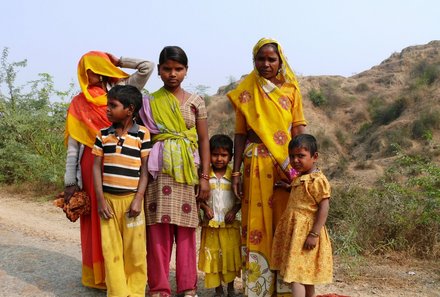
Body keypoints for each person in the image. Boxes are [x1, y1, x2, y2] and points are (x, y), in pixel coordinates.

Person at [64, 51, 154, 289]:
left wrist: (119, 61)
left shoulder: (122, 89)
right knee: (97, 219)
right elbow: (74, 145)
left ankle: (128, 280)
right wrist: (69, 180)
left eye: (95, 67)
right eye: (86, 70)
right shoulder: (78, 102)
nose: (90, 74)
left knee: (126, 225)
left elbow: (147, 66)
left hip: (125, 168)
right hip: (91, 165)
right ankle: (100, 278)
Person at [227, 37, 307, 297]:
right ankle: (257, 288)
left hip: (284, 164)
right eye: (260, 59)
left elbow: (298, 128)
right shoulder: (246, 90)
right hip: (254, 163)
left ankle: (285, 288)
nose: (266, 64)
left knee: (284, 222)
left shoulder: (292, 90)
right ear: (254, 60)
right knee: (256, 223)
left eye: (271, 59)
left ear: (280, 61)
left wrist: (303, 167)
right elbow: (240, 134)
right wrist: (236, 171)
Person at [139, 46, 210, 297]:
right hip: (158, 176)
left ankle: (187, 287)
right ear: (158, 70)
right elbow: (143, 140)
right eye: (167, 69)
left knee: (187, 232)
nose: (172, 74)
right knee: (158, 231)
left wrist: (205, 178)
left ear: (186, 71)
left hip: (188, 175)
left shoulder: (196, 102)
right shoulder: (148, 102)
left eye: (178, 69)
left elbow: (203, 141)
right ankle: (159, 287)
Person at [92, 85, 151, 297]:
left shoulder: (142, 135)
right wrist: (100, 200)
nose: (107, 109)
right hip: (108, 201)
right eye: (108, 104)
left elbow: (145, 171)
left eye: (113, 105)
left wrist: (138, 200)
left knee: (135, 250)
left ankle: (135, 292)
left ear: (129, 109)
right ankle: (117, 292)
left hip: (131, 203)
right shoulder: (102, 135)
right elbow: (96, 168)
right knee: (111, 249)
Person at [271, 134, 333, 297]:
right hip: (297, 233)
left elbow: (323, 207)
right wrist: (288, 187)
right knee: (304, 275)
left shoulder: (317, 180)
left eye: (301, 156)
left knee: (296, 277)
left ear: (315, 157)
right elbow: (302, 194)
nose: (295, 160)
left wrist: (314, 234)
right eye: (292, 156)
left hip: (305, 233)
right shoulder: (301, 178)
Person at [198, 134, 242, 297]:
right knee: (213, 256)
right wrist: (204, 207)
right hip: (210, 226)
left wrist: (233, 212)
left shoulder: (234, 177)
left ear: (230, 156)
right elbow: (197, 196)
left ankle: (230, 287)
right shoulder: (204, 175)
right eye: (215, 154)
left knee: (230, 255)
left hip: (229, 226)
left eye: (223, 155)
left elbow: (240, 199)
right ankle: (218, 289)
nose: (219, 159)